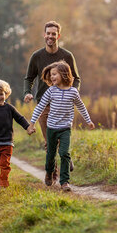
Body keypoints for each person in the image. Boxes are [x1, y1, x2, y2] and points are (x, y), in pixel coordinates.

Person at [24, 21, 79, 179]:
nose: (50, 36)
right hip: (44, 105)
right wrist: (27, 92)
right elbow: (29, 78)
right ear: (44, 35)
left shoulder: (67, 56)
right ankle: (51, 172)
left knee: (63, 139)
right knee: (49, 141)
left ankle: (65, 158)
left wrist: (73, 94)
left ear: (58, 36)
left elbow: (76, 78)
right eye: (48, 33)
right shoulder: (37, 56)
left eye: (53, 34)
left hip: (63, 104)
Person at [28, 61, 95, 192]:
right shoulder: (50, 91)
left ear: (64, 74)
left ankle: (65, 182)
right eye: (51, 75)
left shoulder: (73, 92)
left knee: (64, 153)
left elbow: (81, 106)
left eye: (54, 74)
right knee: (50, 155)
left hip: (65, 128)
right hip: (51, 128)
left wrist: (89, 121)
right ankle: (49, 172)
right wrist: (31, 124)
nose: (51, 77)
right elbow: (40, 107)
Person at [0, 79, 35, 188]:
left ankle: (3, 184)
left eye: (1, 94)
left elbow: (20, 118)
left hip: (7, 142)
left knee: (4, 164)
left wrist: (28, 127)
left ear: (6, 94)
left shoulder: (9, 108)